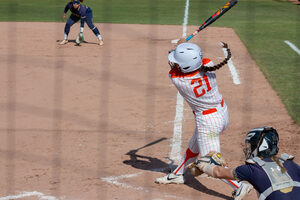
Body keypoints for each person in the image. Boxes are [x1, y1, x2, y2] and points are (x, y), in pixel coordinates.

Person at [154, 42, 252, 199]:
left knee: (211, 163)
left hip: (208, 122)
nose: (175, 64)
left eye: (179, 62)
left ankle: (240, 186)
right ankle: (178, 174)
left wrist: (178, 51)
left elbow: (174, 68)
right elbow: (197, 60)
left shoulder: (178, 80)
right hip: (222, 112)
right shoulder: (209, 65)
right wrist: (182, 52)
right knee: (194, 146)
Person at [194, 126, 300, 200]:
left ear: (260, 147)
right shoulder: (291, 164)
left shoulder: (252, 169)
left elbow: (218, 172)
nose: (248, 149)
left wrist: (202, 165)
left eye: (251, 146)